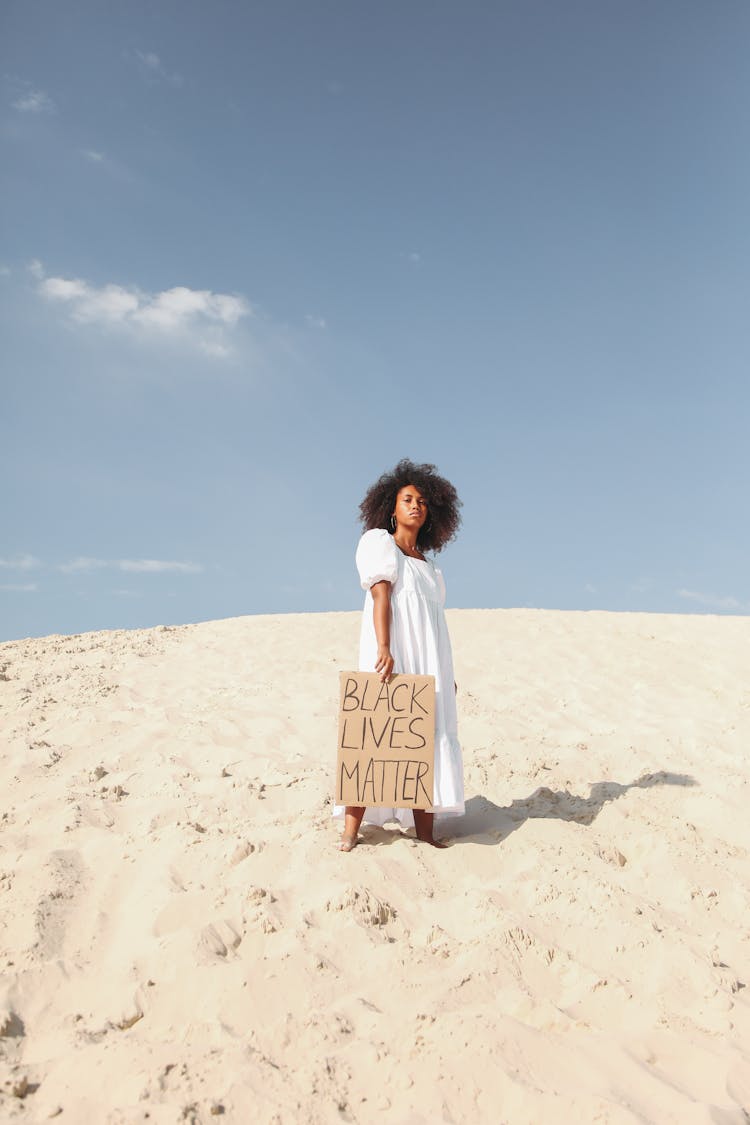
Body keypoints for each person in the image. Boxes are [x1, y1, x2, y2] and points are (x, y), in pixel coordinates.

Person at [336, 458, 465, 851]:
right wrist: (384, 647)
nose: (415, 506)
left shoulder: (431, 570)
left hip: (429, 657)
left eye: (422, 502)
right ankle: (349, 832)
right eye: (407, 499)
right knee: (373, 735)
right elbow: (381, 596)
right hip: (390, 649)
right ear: (391, 508)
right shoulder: (379, 545)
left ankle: (425, 833)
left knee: (423, 735)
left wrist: (446, 671)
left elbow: (434, 625)